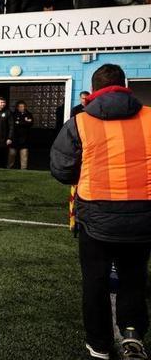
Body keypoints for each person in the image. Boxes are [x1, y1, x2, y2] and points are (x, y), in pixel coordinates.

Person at [51, 63, 151, 360]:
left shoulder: (80, 122)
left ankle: (99, 345)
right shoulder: (149, 117)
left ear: (93, 91)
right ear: (125, 85)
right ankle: (132, 335)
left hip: (96, 216)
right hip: (144, 213)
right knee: (134, 276)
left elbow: (61, 169)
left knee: (95, 281)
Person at [8, 100, 33, 169]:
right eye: (20, 106)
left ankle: (23, 169)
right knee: (12, 155)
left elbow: (30, 123)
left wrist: (20, 122)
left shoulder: (29, 114)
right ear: (17, 107)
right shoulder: (13, 115)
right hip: (14, 138)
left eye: (23, 106)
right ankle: (9, 168)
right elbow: (13, 124)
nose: (22, 108)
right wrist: (25, 121)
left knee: (24, 156)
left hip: (25, 139)